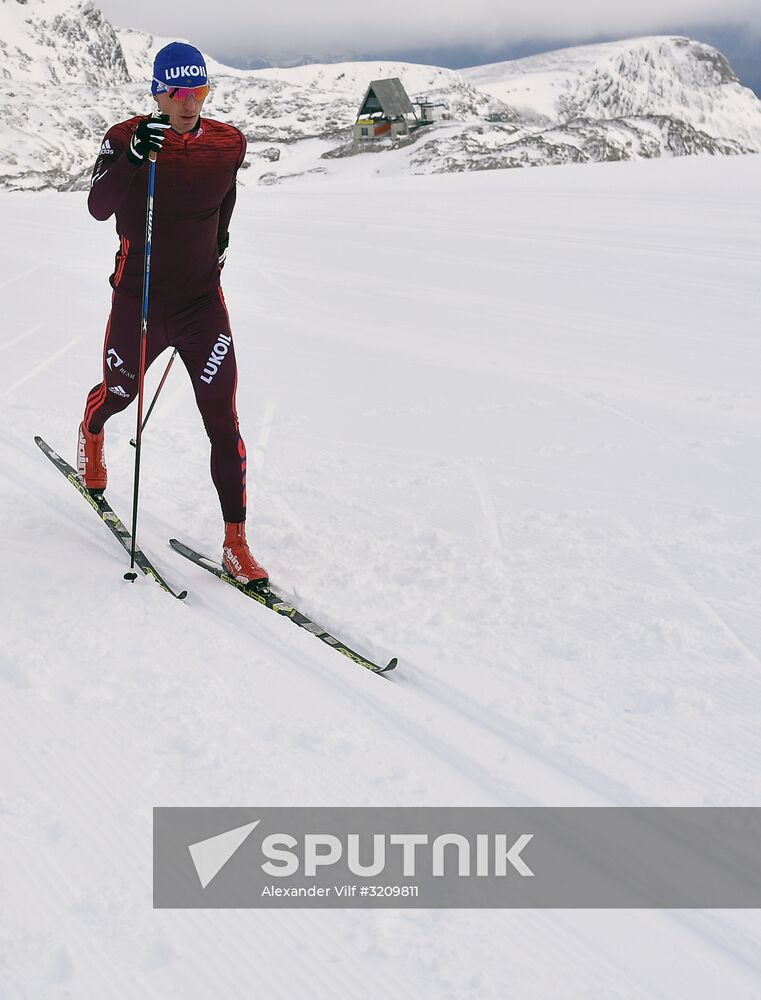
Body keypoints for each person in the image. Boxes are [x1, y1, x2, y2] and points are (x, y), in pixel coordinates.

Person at [78, 41, 267, 585]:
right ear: (158, 93)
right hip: (137, 300)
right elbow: (98, 206)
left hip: (201, 305)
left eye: (198, 90)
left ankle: (235, 542)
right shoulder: (124, 138)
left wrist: (223, 238)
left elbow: (224, 196)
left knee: (222, 420)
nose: (189, 103)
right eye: (178, 92)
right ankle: (91, 432)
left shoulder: (229, 143)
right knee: (120, 394)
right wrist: (135, 158)